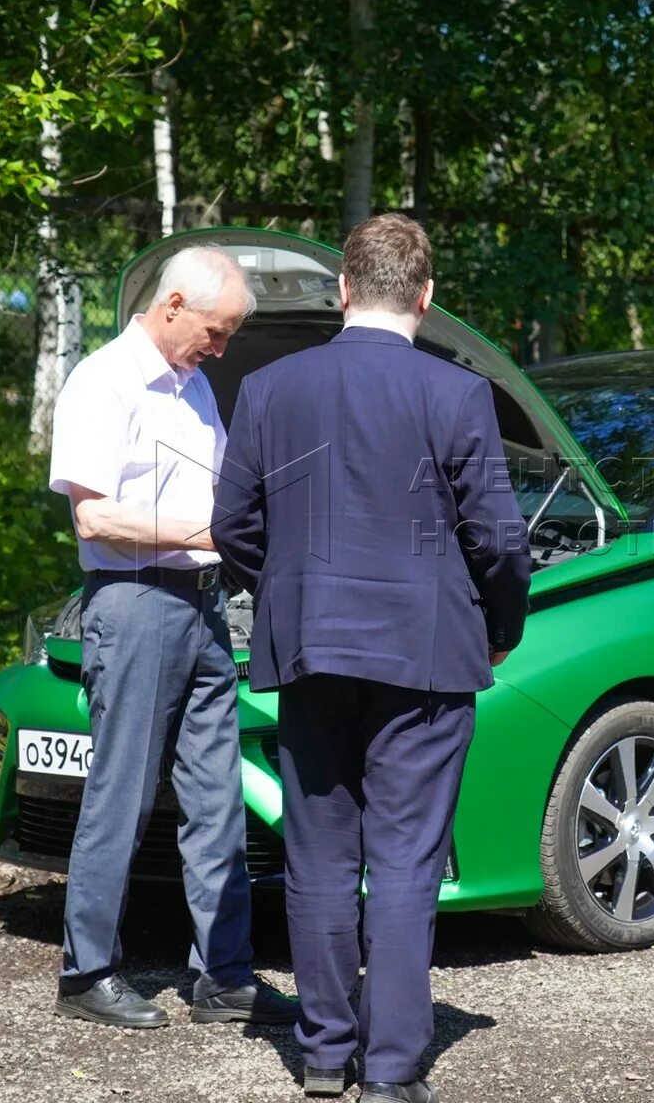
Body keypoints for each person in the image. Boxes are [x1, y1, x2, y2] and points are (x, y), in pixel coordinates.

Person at [212, 213, 532, 1102]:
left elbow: (233, 523)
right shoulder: (457, 395)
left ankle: (323, 1056)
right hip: (425, 659)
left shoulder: (271, 390)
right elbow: (500, 540)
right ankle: (390, 1072)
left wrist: (286, 591)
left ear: (342, 290)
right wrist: (501, 624)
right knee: (404, 860)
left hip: (309, 651)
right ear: (426, 299)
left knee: (316, 856)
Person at [47, 245, 300, 1030]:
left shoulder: (195, 390)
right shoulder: (102, 381)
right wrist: (209, 530)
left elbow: (227, 499)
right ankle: (86, 972)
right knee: (120, 794)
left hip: (202, 606)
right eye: (217, 332)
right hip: (132, 603)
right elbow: (94, 516)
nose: (222, 348)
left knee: (215, 799)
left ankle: (221, 975)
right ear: (175, 305)